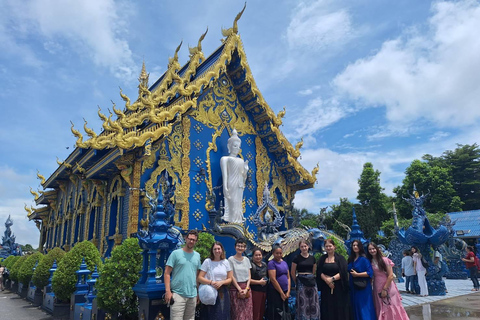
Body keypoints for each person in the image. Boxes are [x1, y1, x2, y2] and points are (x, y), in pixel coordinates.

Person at [164, 230, 202, 320]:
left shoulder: (197, 256)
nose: (191, 241)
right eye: (190, 239)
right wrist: (168, 291)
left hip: (192, 295)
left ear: (196, 242)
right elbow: (167, 273)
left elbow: (197, 276)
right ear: (186, 239)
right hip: (178, 294)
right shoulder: (176, 254)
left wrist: (197, 293)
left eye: (194, 240)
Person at [367, 242, 409, 320]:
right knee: (381, 307)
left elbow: (390, 275)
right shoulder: (370, 262)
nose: (372, 251)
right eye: (370, 249)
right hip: (377, 286)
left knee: (392, 306)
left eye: (373, 248)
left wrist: (385, 288)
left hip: (388, 285)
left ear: (377, 249)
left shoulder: (385, 260)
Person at [316, 238, 351, 320]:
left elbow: (343, 271)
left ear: (334, 247)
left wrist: (332, 279)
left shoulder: (340, 258)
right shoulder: (322, 259)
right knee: (327, 306)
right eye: (326, 246)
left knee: (338, 306)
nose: (328, 248)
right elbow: (319, 271)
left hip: (338, 287)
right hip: (326, 287)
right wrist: (327, 281)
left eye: (330, 246)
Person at [198, 241, 233, 319]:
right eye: (215, 249)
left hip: (223, 292)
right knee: (211, 315)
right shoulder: (207, 261)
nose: (217, 251)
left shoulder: (226, 262)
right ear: (212, 251)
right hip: (210, 291)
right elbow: (200, 278)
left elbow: (230, 278)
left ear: (222, 250)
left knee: (223, 314)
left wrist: (222, 282)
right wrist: (211, 282)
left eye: (218, 249)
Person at [220, 128, 248, 224]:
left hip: (239, 185)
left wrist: (246, 170)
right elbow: (225, 175)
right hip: (231, 183)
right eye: (235, 146)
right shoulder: (225, 159)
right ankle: (232, 222)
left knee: (238, 205)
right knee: (232, 204)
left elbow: (243, 176)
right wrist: (225, 187)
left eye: (238, 147)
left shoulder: (241, 160)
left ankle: (238, 221)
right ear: (230, 146)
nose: (237, 148)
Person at [291, 240, 320, 320]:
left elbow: (314, 270)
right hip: (301, 281)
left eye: (305, 246)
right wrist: (296, 281)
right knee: (303, 303)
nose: (304, 248)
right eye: (302, 247)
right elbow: (293, 272)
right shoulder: (296, 258)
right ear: (299, 248)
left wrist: (310, 276)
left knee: (313, 302)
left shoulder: (312, 258)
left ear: (308, 247)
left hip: (311, 282)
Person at [347, 240, 375, 320]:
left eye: (357, 245)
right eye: (353, 245)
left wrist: (357, 275)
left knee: (363, 307)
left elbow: (370, 273)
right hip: (353, 286)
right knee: (355, 305)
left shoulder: (364, 259)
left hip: (363, 287)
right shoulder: (351, 259)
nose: (355, 247)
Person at [228, 238, 253, 320]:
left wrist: (246, 288)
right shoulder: (230, 259)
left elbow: (249, 276)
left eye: (242, 246)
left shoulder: (246, 260)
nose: (240, 248)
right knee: (237, 314)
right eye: (238, 246)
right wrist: (239, 289)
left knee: (247, 313)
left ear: (245, 248)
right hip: (235, 289)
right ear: (235, 247)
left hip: (246, 289)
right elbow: (231, 276)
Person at [266, 245, 291, 320]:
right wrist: (281, 293)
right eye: (277, 253)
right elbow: (273, 279)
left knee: (285, 311)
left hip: (285, 291)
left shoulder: (284, 263)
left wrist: (288, 291)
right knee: (276, 312)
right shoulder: (271, 263)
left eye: (280, 253)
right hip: (275, 291)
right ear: (273, 253)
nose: (279, 255)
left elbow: (288, 277)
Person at [250, 248, 268, 320]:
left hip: (264, 292)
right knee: (255, 312)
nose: (258, 257)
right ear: (253, 256)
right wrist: (259, 282)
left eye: (259, 255)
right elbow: (248, 280)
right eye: (256, 255)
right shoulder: (251, 266)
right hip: (255, 292)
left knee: (261, 311)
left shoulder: (264, 265)